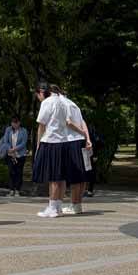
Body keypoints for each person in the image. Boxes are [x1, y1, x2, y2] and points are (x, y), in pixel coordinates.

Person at [32, 83, 89, 218]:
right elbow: (69, 122)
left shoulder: (47, 102)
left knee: (53, 177)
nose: (38, 98)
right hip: (63, 142)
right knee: (61, 177)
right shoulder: (63, 102)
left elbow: (41, 124)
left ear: (41, 92)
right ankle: (57, 206)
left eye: (37, 95)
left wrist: (38, 144)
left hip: (51, 141)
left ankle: (53, 207)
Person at [59, 87, 93, 215]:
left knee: (74, 175)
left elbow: (68, 122)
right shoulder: (74, 104)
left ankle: (74, 205)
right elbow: (82, 121)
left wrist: (81, 133)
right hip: (80, 141)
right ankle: (78, 205)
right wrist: (87, 138)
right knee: (82, 174)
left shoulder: (62, 104)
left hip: (72, 141)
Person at [0, 115, 28, 196]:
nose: (14, 124)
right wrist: (10, 149)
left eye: (16, 122)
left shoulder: (23, 131)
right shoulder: (8, 130)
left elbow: (23, 143)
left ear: (19, 123)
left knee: (19, 172)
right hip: (10, 154)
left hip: (21, 154)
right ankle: (11, 190)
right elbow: (6, 141)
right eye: (13, 122)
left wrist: (15, 149)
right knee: (11, 172)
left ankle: (17, 190)